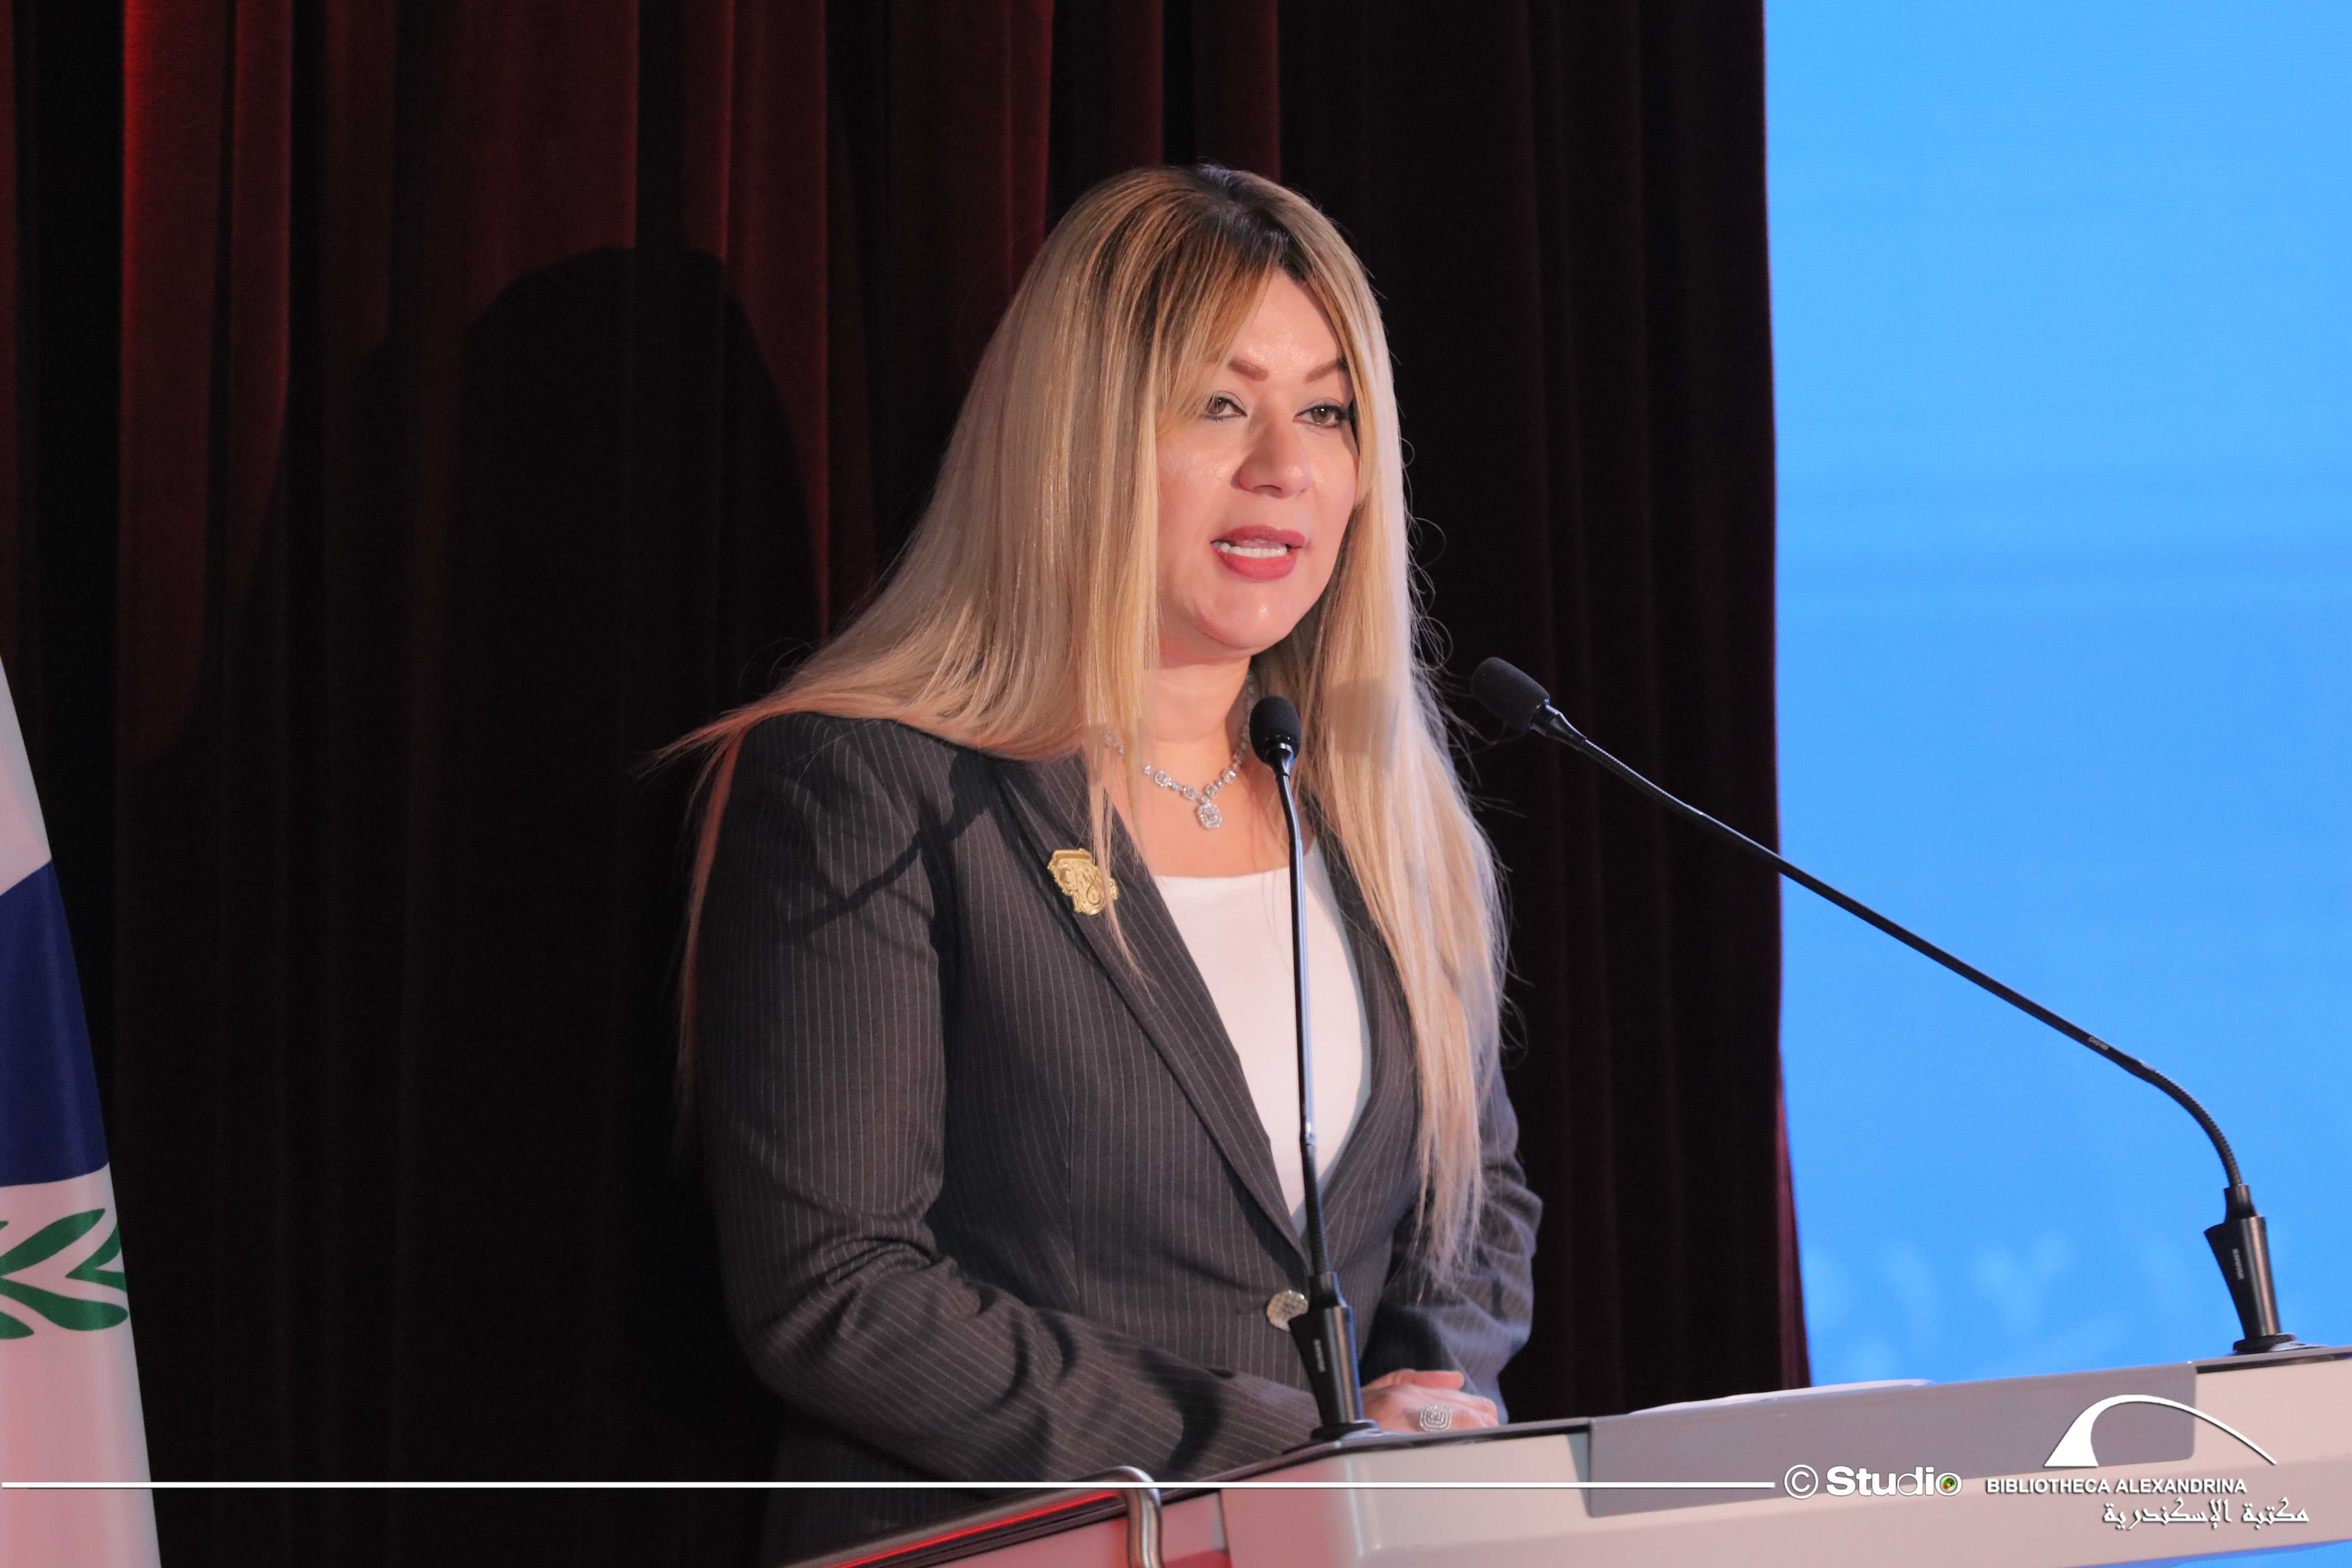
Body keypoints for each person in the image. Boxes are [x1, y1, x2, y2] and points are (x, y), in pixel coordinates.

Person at [674, 163, 1541, 1560]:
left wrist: (1432, 1399)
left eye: (1327, 410)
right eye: (1218, 404)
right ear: (1076, 439)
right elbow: (836, 1289)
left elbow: (1473, 1198)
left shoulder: (1379, 809)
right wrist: (1284, 1456)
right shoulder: (870, 781)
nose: (1284, 465)